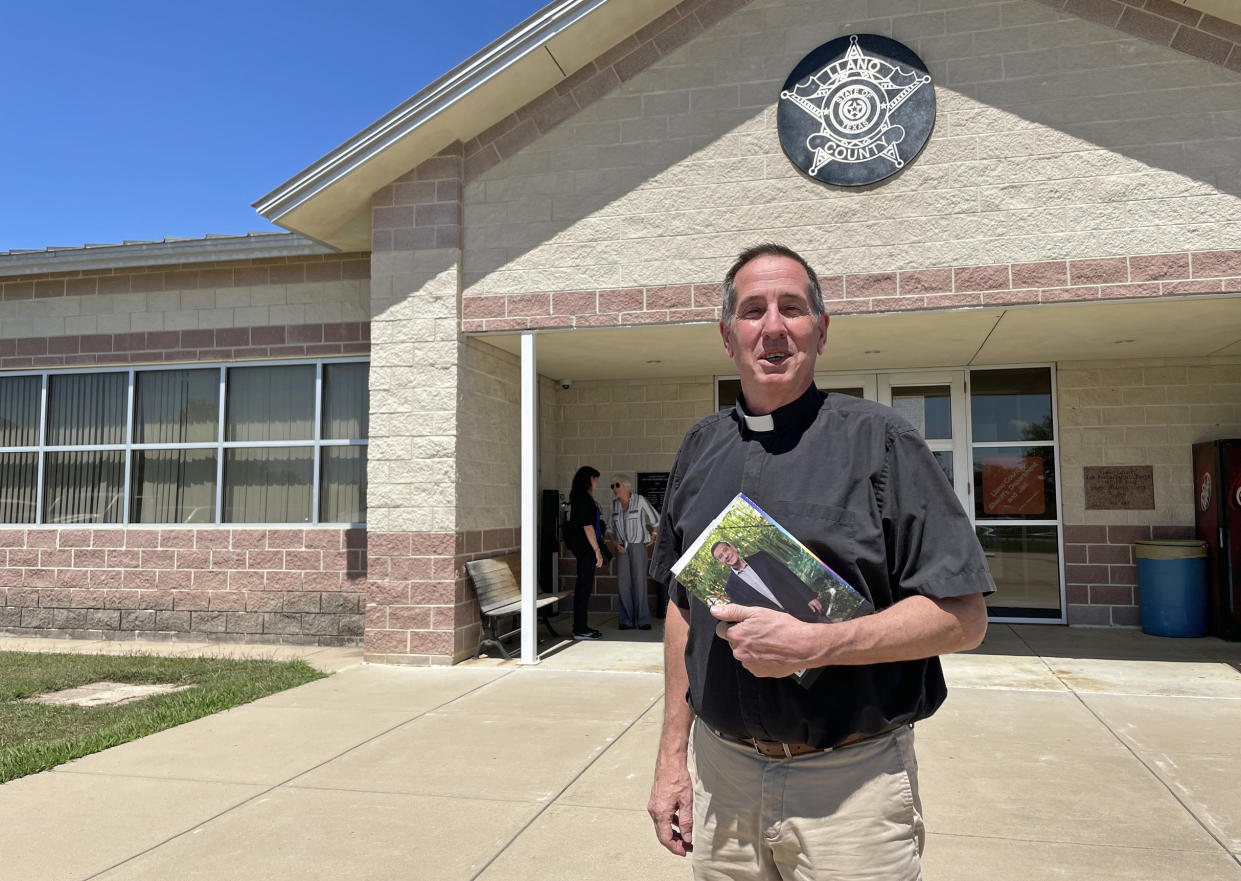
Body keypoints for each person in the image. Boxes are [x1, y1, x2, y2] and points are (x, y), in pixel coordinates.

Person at [646, 243, 994, 880]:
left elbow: (963, 618)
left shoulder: (882, 442)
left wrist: (819, 643)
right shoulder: (700, 448)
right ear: (728, 336)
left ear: (821, 330)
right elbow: (681, 607)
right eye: (753, 311)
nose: (773, 326)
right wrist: (672, 756)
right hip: (723, 777)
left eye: (792, 308)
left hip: (850, 788)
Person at [710, 540, 826, 622]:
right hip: (782, 626)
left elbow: (788, 575)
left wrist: (809, 596)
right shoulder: (731, 588)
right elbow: (750, 614)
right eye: (720, 556)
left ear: (733, 548)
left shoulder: (761, 558)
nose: (725, 556)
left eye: (726, 550)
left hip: (802, 606)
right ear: (720, 562)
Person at [606, 475, 660, 630]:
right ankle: (626, 621)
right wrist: (614, 542)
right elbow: (609, 528)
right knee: (623, 584)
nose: (615, 489)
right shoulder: (614, 505)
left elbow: (656, 519)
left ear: (626, 486)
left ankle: (643, 620)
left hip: (637, 545)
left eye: (617, 485)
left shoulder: (640, 500)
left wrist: (654, 536)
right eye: (612, 486)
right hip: (621, 547)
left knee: (639, 582)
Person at [566, 465, 604, 640]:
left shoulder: (582, 497)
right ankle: (580, 629)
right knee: (584, 587)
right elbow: (587, 527)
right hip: (586, 549)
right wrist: (597, 551)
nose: (596, 483)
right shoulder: (583, 499)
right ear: (588, 479)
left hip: (584, 548)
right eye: (595, 479)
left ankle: (581, 626)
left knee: (585, 587)